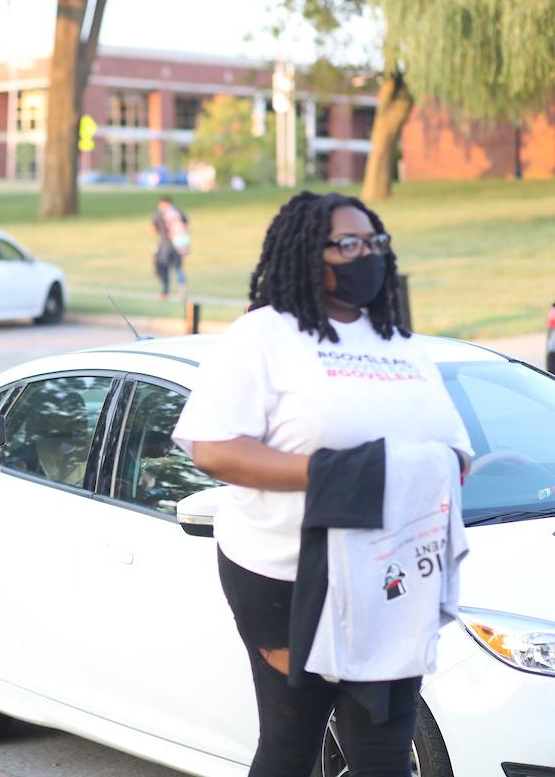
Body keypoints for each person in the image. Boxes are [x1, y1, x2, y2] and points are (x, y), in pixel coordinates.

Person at [171, 191, 472, 777]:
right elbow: (212, 448)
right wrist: (335, 472)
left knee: (385, 755)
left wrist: (438, 471)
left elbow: (452, 447)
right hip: (286, 576)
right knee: (292, 745)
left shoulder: (400, 343)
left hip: (388, 575)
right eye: (349, 244)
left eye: (374, 242)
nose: (367, 254)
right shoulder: (262, 337)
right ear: (310, 254)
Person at [152, 196, 190, 300]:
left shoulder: (159, 214)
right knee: (178, 268)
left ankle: (165, 292)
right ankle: (182, 287)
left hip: (165, 245)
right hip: (179, 244)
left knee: (164, 269)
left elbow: (153, 229)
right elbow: (187, 226)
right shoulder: (178, 212)